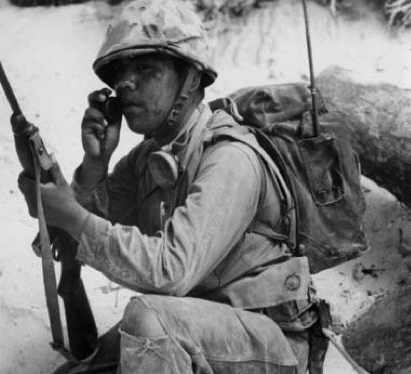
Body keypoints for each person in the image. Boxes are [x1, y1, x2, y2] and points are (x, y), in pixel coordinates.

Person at [23, 0, 318, 372]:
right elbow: (98, 238)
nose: (125, 84)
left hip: (270, 343)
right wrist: (94, 167)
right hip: (196, 326)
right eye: (119, 74)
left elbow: (170, 272)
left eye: (145, 69)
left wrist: (73, 217)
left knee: (147, 319)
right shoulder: (147, 159)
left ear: (191, 77)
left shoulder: (230, 157)